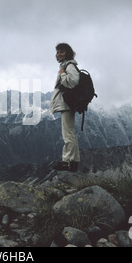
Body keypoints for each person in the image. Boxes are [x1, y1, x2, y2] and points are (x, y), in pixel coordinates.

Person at [50, 43, 81, 172]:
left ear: (68, 53)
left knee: (68, 134)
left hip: (67, 103)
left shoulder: (69, 66)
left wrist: (62, 74)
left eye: (62, 52)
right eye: (57, 52)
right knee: (70, 133)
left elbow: (74, 81)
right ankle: (73, 162)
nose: (59, 54)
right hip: (67, 103)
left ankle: (67, 161)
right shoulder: (66, 66)